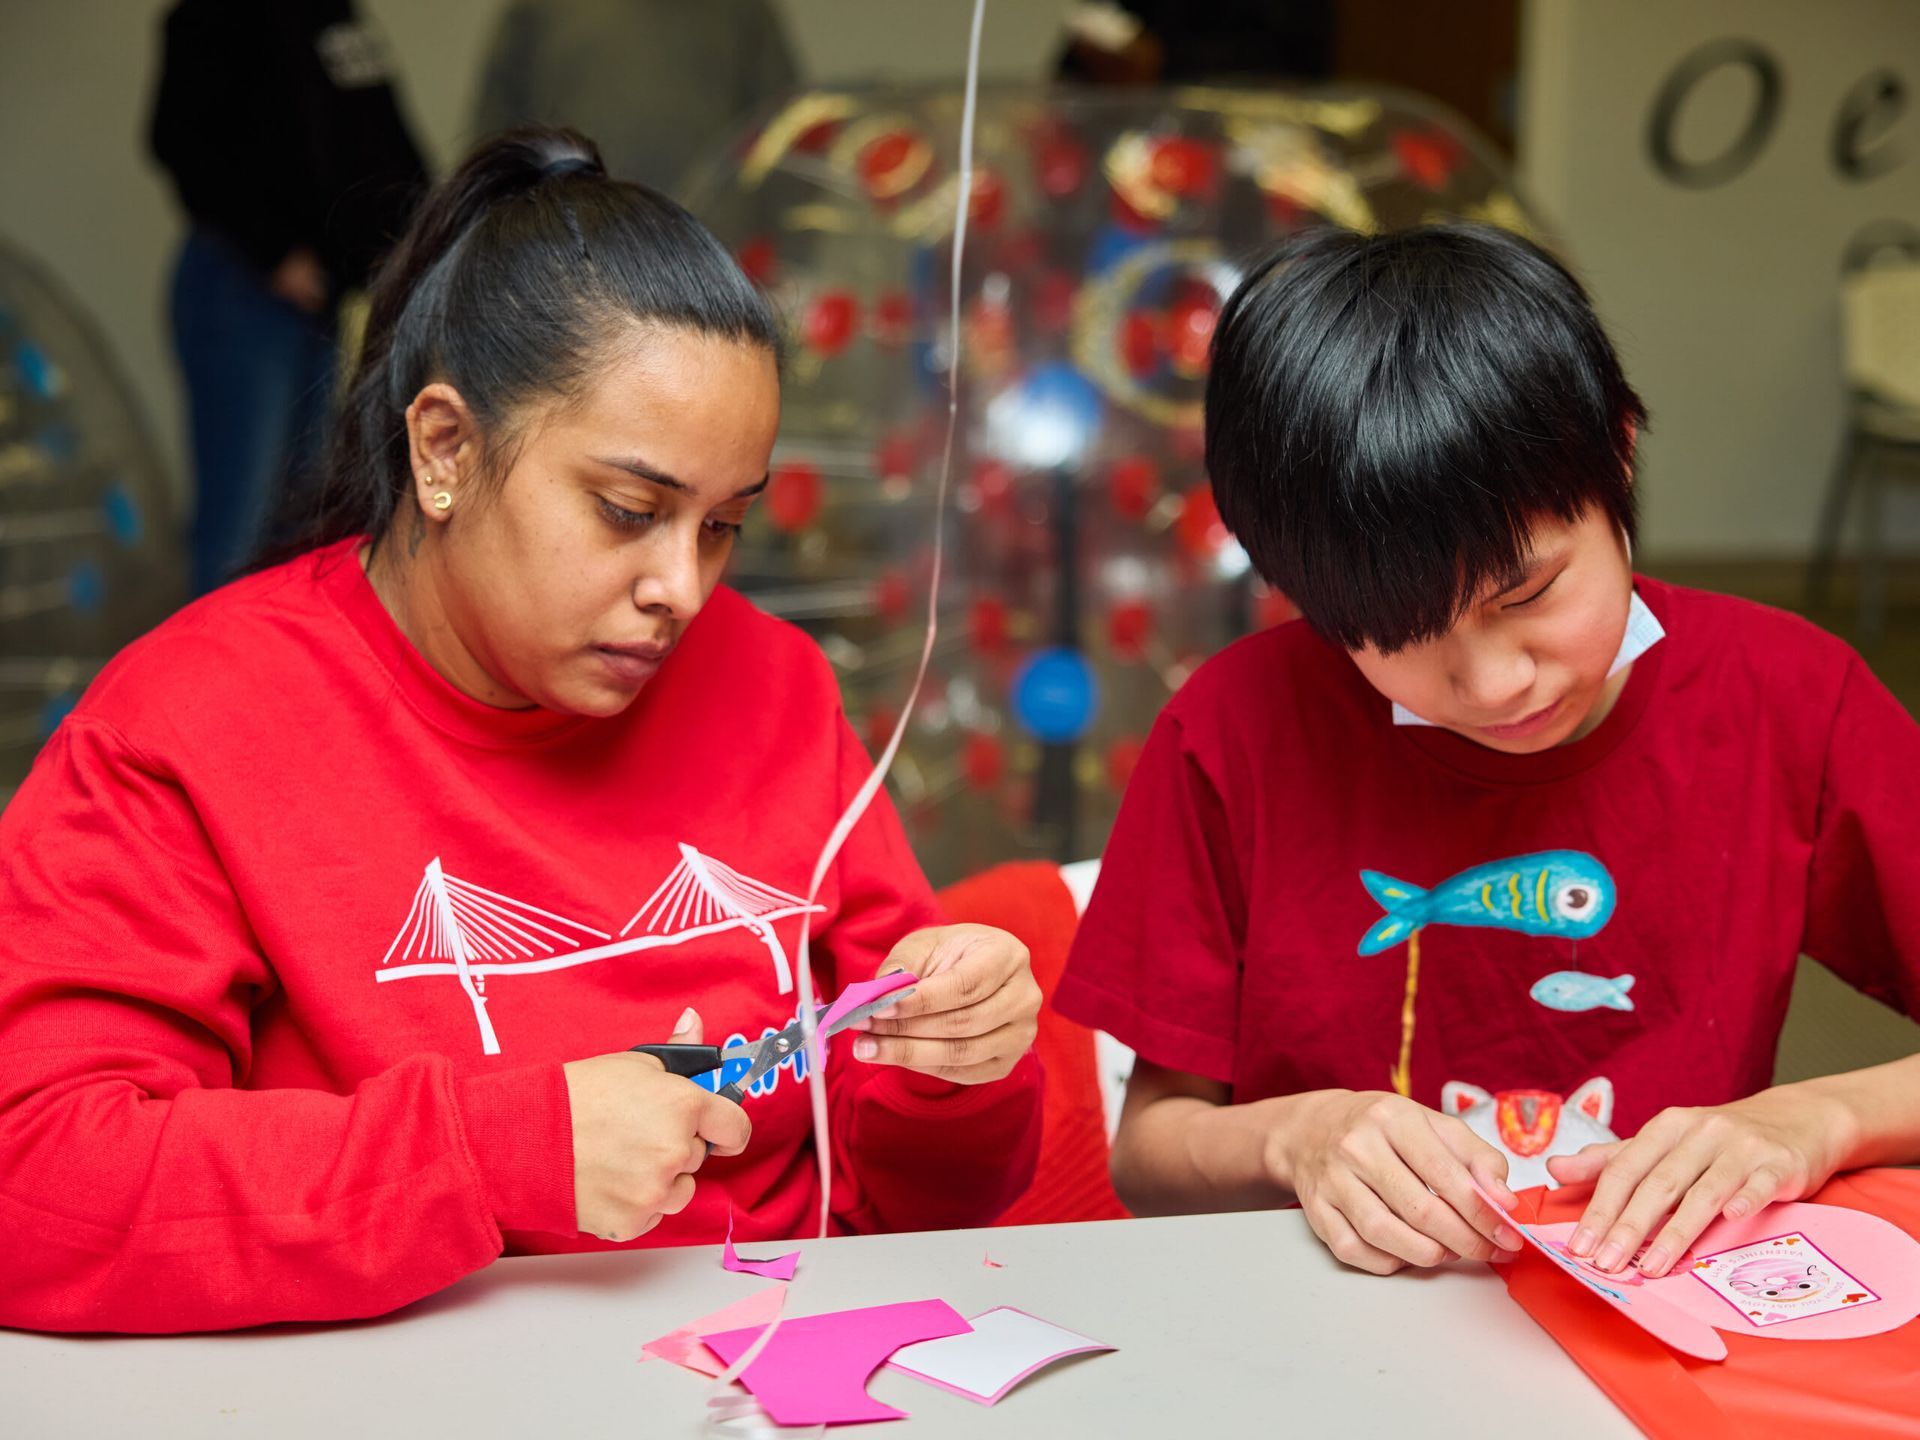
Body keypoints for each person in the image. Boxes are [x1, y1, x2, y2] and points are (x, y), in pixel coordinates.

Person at [0, 128, 1042, 1335]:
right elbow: (36, 1185)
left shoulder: (774, 685)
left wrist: (949, 1076)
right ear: (445, 448)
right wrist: (500, 1156)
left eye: (722, 526)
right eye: (629, 510)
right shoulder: (190, 722)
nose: (683, 590)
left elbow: (925, 1205)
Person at [1055, 224, 1920, 1282]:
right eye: (1400, 635)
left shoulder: (1793, 698)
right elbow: (1149, 1153)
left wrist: (1819, 1118)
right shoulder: (1230, 732)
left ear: (1622, 451)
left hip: (1657, 1326)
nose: (1496, 682)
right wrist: (1300, 1137)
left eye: (1530, 595)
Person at [149, 0, 429, 593]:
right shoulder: (219, 17)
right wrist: (276, 252)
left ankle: (272, 680)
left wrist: (420, 234)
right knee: (240, 524)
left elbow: (381, 136)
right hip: (246, 293)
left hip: (325, 299)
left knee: (301, 522)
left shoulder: (337, 14)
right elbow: (179, 139)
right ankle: (206, 684)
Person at [470, 0, 799, 193]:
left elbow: (789, 137)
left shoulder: (741, 13)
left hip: (709, 256)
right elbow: (494, 149)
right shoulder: (539, 11)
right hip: (570, 248)